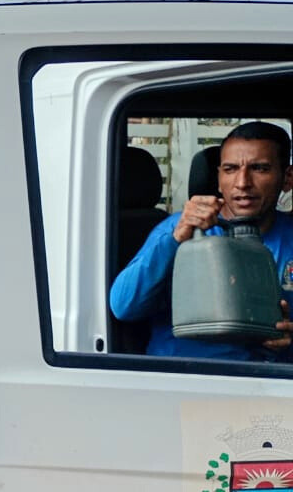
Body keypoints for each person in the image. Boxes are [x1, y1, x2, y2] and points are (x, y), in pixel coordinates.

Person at [110, 121, 293, 360]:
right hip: (184, 381)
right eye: (230, 169)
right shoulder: (180, 228)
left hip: (267, 384)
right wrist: (175, 238)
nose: (242, 183)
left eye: (259, 168)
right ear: (218, 178)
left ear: (287, 178)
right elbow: (123, 306)